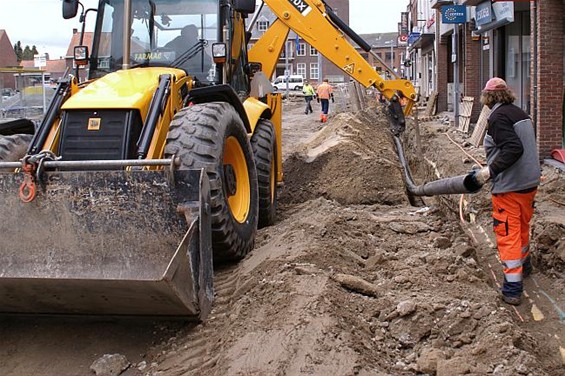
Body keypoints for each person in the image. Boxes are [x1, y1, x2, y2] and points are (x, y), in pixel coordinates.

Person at [474, 77, 541, 306]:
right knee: (522, 226)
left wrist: (489, 171)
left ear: (488, 97)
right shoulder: (520, 112)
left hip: (510, 186)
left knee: (508, 232)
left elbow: (513, 148)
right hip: (529, 183)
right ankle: (526, 265)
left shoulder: (498, 117)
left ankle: (512, 288)